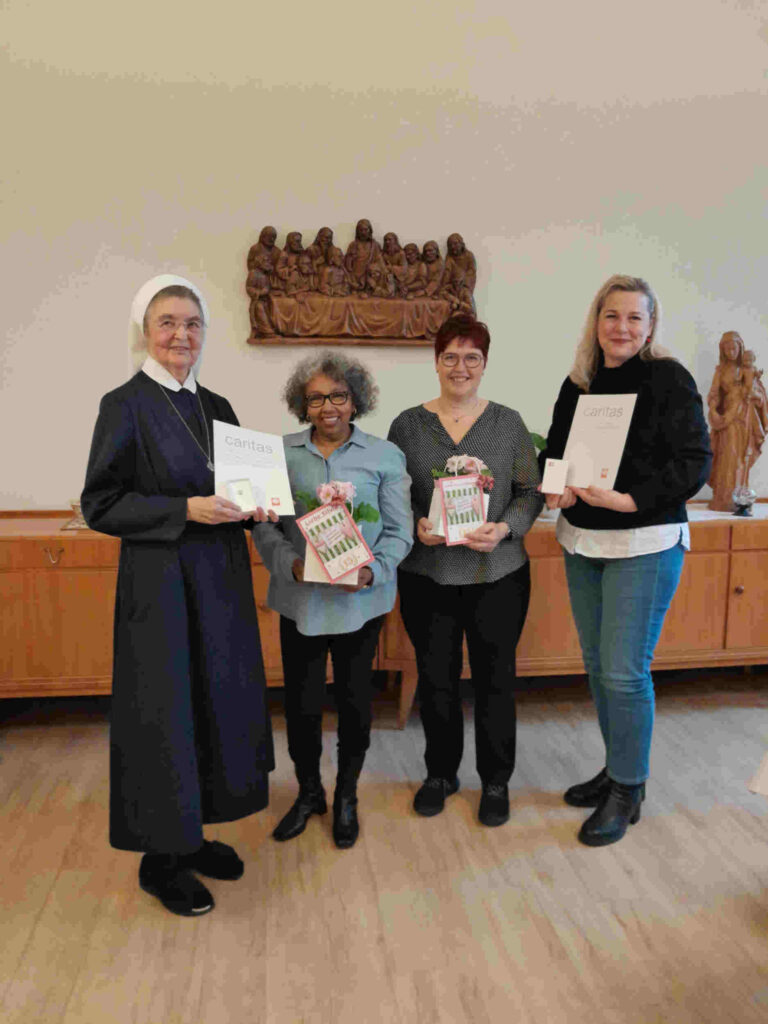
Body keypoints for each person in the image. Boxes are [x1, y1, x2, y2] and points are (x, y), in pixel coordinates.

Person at [81, 275, 274, 916]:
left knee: (215, 701)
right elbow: (100, 503)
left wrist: (263, 507)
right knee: (166, 711)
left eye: (192, 324)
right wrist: (183, 509)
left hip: (218, 580)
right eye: (168, 323)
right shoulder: (124, 404)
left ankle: (194, 835)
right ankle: (159, 857)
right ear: (146, 330)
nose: (181, 335)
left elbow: (243, 489)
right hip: (159, 586)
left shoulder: (217, 404)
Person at [541, 274, 711, 847]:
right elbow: (556, 451)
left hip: (646, 539)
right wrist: (554, 487)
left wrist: (630, 499)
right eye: (612, 316)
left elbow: (695, 463)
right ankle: (617, 768)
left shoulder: (669, 378)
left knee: (623, 670)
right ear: (597, 322)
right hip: (583, 539)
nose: (622, 328)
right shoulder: (580, 381)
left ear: (651, 326)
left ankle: (628, 788)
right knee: (597, 667)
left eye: (635, 318)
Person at [253, 353, 413, 849]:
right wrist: (292, 565)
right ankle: (308, 793)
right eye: (317, 397)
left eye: (338, 396)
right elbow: (264, 525)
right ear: (303, 403)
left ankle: (347, 795)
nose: (328, 406)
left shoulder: (384, 455)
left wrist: (371, 572)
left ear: (355, 401)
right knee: (301, 706)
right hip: (300, 601)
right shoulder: (278, 454)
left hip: (359, 604)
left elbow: (399, 530)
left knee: (354, 703)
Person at [388, 314, 542, 827]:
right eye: (450, 357)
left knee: (496, 680)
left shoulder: (509, 424)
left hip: (497, 574)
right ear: (435, 363)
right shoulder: (407, 425)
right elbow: (394, 496)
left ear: (485, 364)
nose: (460, 367)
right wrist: (415, 524)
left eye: (471, 357)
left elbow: (529, 492)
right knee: (437, 679)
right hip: (427, 574)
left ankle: (495, 780)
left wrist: (504, 529)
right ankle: (441, 773)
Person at [707, 331, 747, 509]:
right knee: (725, 455)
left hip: (741, 419)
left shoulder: (746, 370)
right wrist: (714, 410)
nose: (731, 351)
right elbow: (714, 394)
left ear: (740, 348)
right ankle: (723, 495)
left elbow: (756, 392)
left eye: (734, 347)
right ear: (722, 351)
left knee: (737, 456)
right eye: (727, 348)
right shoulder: (720, 371)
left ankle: (737, 496)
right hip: (725, 419)